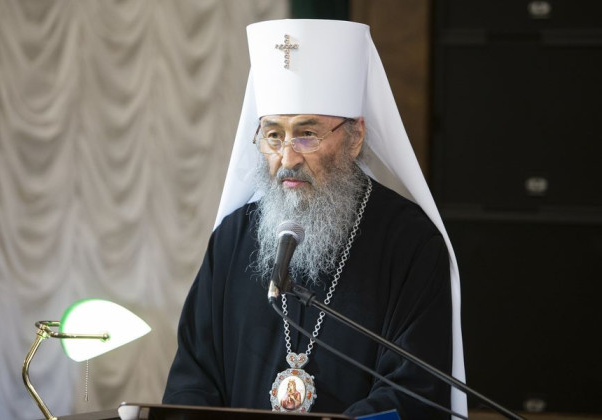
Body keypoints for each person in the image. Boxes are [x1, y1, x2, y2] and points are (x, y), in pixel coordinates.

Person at [163, 19, 467, 419]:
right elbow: (192, 381)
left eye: (306, 134)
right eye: (273, 135)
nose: (287, 158)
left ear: (355, 137)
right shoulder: (232, 240)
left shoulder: (409, 243)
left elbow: (412, 394)